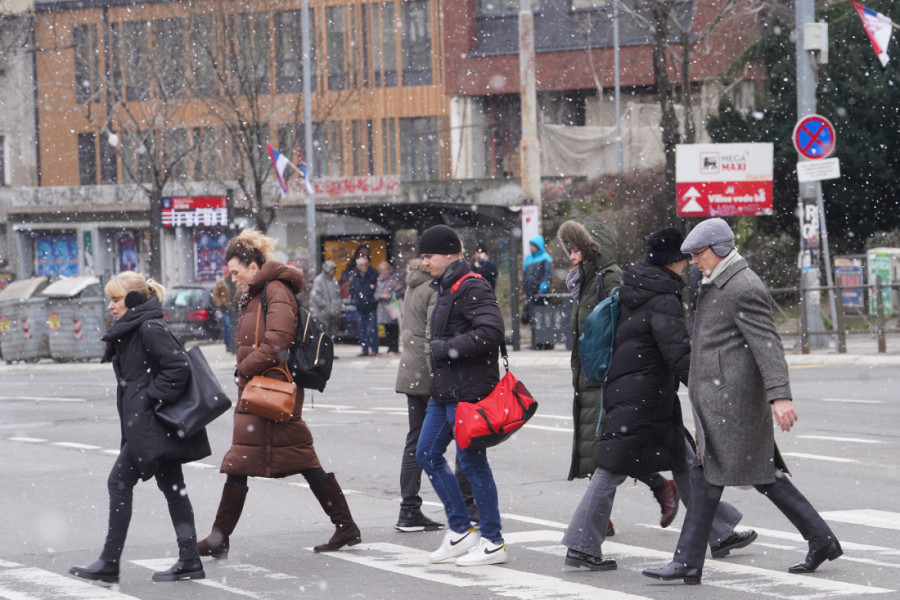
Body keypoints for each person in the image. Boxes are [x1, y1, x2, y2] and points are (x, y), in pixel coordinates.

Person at [643, 218, 842, 585]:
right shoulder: (716, 282)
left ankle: (688, 561)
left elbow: (767, 343)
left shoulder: (743, 286)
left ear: (719, 249)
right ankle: (822, 539)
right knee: (758, 477)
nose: (695, 261)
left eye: (699, 254)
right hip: (720, 402)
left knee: (712, 479)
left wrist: (780, 395)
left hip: (732, 405)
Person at [561, 228, 755, 571]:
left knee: (684, 460)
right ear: (675, 261)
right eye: (686, 257)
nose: (690, 262)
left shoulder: (634, 286)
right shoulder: (662, 296)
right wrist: (705, 388)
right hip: (643, 397)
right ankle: (581, 544)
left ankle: (719, 531)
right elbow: (677, 352)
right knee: (611, 469)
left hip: (637, 391)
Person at [197, 230, 361, 559]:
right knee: (250, 459)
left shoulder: (274, 290)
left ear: (254, 265)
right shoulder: (257, 293)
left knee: (269, 457)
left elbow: (277, 343)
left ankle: (220, 536)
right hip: (261, 389)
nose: (233, 279)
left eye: (236, 271)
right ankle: (220, 536)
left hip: (269, 388)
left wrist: (245, 368)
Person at [69, 272, 209, 584]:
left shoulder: (148, 326)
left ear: (132, 301)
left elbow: (178, 367)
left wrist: (148, 399)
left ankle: (109, 560)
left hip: (151, 425)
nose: (110, 306)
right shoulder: (136, 327)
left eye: (115, 299)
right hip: (151, 424)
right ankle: (189, 559)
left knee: (119, 482)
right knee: (174, 488)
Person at [557, 220, 676, 536]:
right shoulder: (586, 281)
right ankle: (659, 489)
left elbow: (623, 326)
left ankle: (599, 517)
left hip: (608, 376)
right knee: (607, 449)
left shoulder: (609, 278)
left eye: (577, 250)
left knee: (608, 450)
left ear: (592, 249)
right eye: (569, 250)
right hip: (592, 375)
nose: (572, 257)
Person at [416, 224, 507, 566]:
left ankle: (493, 540)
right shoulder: (446, 286)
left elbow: (492, 331)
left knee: (471, 463)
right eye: (423, 256)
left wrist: (447, 349)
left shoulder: (472, 286)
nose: (425, 262)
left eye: (429, 255)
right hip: (445, 392)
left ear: (451, 253)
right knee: (426, 453)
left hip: (468, 392)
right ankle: (459, 530)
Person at [522, 234, 554, 349]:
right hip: (531, 294)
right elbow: (525, 276)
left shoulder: (546, 258)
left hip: (541, 295)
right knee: (533, 319)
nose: (530, 247)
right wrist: (524, 289)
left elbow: (548, 275)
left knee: (544, 319)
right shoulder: (528, 259)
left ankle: (546, 343)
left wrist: (542, 289)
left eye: (532, 245)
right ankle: (535, 342)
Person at [349, 255, 379, 357]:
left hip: (371, 306)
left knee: (372, 329)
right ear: (358, 266)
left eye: (365, 264)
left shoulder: (373, 274)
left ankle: (374, 349)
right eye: (361, 265)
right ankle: (364, 349)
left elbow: (377, 288)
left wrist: (371, 292)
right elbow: (352, 288)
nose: (364, 266)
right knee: (362, 329)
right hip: (360, 306)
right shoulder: (356, 276)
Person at [376, 261, 405, 355]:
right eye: (382, 270)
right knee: (386, 327)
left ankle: (394, 348)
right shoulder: (380, 279)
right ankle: (389, 348)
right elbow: (376, 294)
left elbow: (402, 291)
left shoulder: (395, 278)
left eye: (385, 269)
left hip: (393, 306)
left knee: (393, 328)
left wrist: (391, 295)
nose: (384, 271)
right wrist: (381, 295)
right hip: (383, 307)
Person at [310, 260, 342, 339]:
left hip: (332, 313)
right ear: (326, 269)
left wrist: (336, 308)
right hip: (322, 313)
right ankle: (322, 350)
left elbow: (337, 295)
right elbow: (315, 295)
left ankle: (328, 350)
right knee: (323, 334)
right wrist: (324, 304)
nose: (333, 271)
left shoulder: (334, 280)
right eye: (331, 269)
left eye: (334, 269)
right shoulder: (319, 280)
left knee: (331, 334)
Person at [213, 277, 232, 351]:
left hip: (230, 306)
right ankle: (228, 344)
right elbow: (215, 294)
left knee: (229, 326)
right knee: (227, 326)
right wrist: (220, 304)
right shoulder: (221, 283)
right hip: (225, 307)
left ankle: (230, 344)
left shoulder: (231, 282)